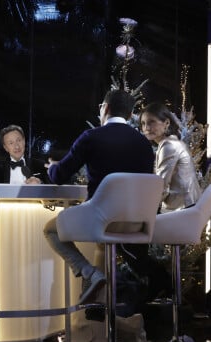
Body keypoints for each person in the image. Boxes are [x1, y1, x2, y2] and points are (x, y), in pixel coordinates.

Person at [43, 89, 155, 305]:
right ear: (131, 115)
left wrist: (52, 167)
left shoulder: (91, 137)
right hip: (135, 224)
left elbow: (59, 176)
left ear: (106, 108)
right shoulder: (144, 144)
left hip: (101, 222)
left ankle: (90, 273)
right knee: (102, 243)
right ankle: (105, 317)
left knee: (50, 229)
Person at [140, 102, 201, 213]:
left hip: (182, 211)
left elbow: (160, 185)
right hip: (188, 208)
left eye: (151, 122)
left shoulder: (168, 146)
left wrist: (143, 209)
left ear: (166, 123)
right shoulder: (171, 142)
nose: (146, 128)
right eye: (143, 124)